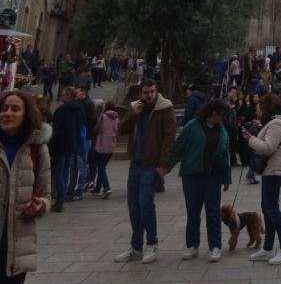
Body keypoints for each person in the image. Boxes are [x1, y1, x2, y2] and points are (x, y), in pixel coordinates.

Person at [0, 89, 51, 284]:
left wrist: (40, 205)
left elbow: (47, 194)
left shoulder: (36, 149)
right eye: (4, 108)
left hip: (15, 249)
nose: (8, 113)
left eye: (15, 109)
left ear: (26, 114)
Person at [115, 77, 176, 264]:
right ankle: (136, 247)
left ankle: (152, 243)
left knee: (145, 204)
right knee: (133, 205)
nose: (149, 95)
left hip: (152, 164)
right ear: (140, 93)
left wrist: (164, 165)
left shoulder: (165, 108)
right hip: (136, 163)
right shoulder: (136, 108)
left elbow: (169, 137)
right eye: (145, 92)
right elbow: (121, 129)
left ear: (156, 91)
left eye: (152, 91)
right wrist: (133, 114)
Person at [170, 97, 232, 262]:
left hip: (213, 176)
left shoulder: (221, 129)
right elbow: (178, 148)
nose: (223, 118)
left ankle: (215, 246)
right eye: (222, 115)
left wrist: (227, 177)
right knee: (193, 213)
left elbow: (225, 153)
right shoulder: (192, 126)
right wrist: (165, 168)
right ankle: (192, 245)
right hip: (193, 175)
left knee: (213, 213)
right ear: (214, 113)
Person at [243, 91, 281, 265]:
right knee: (267, 207)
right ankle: (268, 248)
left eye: (259, 105)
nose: (257, 108)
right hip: (271, 168)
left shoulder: (276, 124)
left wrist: (250, 139)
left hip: (275, 168)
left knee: (272, 209)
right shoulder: (275, 122)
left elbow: (268, 147)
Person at [48, 85, 82, 212]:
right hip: (71, 144)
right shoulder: (79, 109)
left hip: (60, 146)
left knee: (58, 173)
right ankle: (62, 196)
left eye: (63, 94)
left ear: (68, 95)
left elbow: (56, 131)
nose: (61, 96)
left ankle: (60, 201)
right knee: (65, 171)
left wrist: (51, 147)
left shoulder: (62, 111)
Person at [92, 100, 119, 197]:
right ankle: (98, 187)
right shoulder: (116, 118)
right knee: (102, 167)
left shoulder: (103, 116)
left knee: (101, 167)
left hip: (101, 145)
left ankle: (107, 187)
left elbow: (96, 128)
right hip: (111, 146)